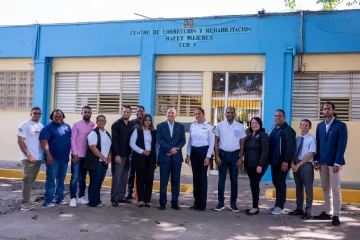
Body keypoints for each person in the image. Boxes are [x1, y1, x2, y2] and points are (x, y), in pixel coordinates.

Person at [313, 102, 347, 226]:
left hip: (334, 163)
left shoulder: (341, 126)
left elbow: (342, 145)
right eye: (324, 109)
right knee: (325, 187)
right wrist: (316, 160)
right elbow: (318, 143)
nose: (326, 111)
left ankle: (336, 215)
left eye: (328, 109)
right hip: (322, 162)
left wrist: (338, 162)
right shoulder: (320, 126)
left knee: (335, 188)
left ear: (333, 110)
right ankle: (328, 211)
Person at [214, 107, 246, 213]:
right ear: (225, 114)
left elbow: (242, 143)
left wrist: (241, 158)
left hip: (235, 156)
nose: (230, 114)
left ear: (235, 114)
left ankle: (233, 204)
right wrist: (217, 156)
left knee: (234, 181)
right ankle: (220, 203)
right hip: (222, 155)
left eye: (232, 112)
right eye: (228, 112)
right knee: (221, 180)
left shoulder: (240, 126)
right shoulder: (219, 126)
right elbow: (216, 141)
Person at [266, 109, 296, 215]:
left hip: (283, 162)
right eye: (276, 116)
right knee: (275, 182)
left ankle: (281, 206)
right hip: (274, 161)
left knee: (280, 183)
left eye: (280, 116)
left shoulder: (288, 130)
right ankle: (276, 204)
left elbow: (290, 147)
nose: (277, 118)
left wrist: (286, 161)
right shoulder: (273, 128)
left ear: (284, 117)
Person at [40, 109, 72, 207]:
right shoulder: (48, 128)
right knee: (51, 179)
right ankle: (48, 200)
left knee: (61, 180)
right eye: (56, 117)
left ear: (63, 117)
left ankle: (59, 198)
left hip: (64, 158)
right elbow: (43, 142)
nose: (58, 118)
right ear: (52, 117)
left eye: (60, 116)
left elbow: (69, 140)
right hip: (53, 159)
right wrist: (48, 156)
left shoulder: (67, 126)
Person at [185, 107, 214, 211]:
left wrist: (208, 157)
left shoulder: (209, 127)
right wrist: (188, 154)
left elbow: (212, 143)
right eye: (196, 114)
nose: (197, 115)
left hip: (203, 153)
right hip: (194, 152)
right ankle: (196, 203)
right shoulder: (193, 125)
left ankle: (202, 204)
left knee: (202, 178)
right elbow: (190, 141)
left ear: (203, 114)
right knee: (195, 178)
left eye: (199, 113)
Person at [157, 108, 186, 210]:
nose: (170, 114)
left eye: (172, 113)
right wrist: (169, 149)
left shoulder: (180, 126)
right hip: (164, 157)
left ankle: (175, 202)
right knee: (163, 181)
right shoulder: (160, 126)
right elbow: (159, 140)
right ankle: (162, 202)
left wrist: (175, 149)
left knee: (176, 181)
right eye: (169, 113)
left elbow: (183, 140)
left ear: (176, 115)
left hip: (176, 158)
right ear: (166, 114)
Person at [17, 107, 44, 211]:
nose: (37, 115)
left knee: (31, 180)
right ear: (31, 114)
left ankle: (28, 200)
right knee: (27, 179)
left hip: (37, 157)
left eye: (39, 113)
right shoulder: (24, 125)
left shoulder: (40, 126)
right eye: (35, 113)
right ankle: (24, 203)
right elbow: (20, 141)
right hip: (28, 157)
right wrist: (28, 155)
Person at [289, 119, 316, 219]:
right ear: (300, 126)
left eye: (306, 125)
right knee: (298, 187)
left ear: (310, 127)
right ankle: (299, 208)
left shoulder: (312, 139)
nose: (304, 126)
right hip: (296, 164)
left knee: (308, 188)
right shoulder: (297, 139)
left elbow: (310, 154)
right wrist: (292, 163)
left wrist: (299, 164)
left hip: (306, 165)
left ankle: (308, 212)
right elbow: (293, 151)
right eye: (302, 125)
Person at [83, 115, 112, 207]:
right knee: (94, 182)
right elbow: (92, 147)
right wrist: (103, 158)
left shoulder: (106, 133)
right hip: (96, 162)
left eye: (103, 120)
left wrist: (109, 156)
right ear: (96, 122)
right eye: (99, 120)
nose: (101, 122)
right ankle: (92, 202)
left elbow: (109, 146)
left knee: (99, 182)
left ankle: (97, 200)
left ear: (105, 122)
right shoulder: (93, 133)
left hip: (104, 162)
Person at [69, 105, 95, 207]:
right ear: (82, 113)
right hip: (77, 155)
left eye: (89, 112)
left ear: (91, 113)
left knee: (83, 177)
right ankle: (72, 198)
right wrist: (75, 153)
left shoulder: (94, 125)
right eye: (85, 112)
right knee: (75, 177)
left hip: (87, 156)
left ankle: (81, 197)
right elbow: (73, 139)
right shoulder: (76, 124)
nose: (87, 114)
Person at [129, 114, 157, 207]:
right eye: (146, 120)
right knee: (140, 179)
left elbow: (156, 146)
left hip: (150, 157)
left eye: (149, 120)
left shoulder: (153, 132)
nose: (147, 122)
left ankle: (147, 199)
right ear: (143, 121)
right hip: (140, 157)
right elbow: (132, 144)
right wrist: (142, 151)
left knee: (149, 179)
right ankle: (141, 199)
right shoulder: (137, 131)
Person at [244, 117, 269, 216]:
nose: (254, 125)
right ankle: (254, 205)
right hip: (249, 164)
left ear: (260, 124)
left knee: (254, 184)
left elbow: (265, 151)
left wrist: (260, 165)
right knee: (253, 184)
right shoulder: (249, 135)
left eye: (256, 123)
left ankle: (255, 207)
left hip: (258, 165)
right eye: (252, 123)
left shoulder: (263, 135)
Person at [111, 106, 133, 207]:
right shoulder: (116, 125)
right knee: (117, 177)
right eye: (124, 112)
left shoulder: (131, 125)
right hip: (119, 156)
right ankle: (114, 198)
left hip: (128, 156)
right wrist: (116, 155)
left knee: (124, 177)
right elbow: (114, 142)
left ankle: (121, 197)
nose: (126, 113)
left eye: (128, 112)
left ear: (130, 113)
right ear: (121, 112)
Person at [126, 106, 145, 200]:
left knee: (141, 175)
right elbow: (128, 138)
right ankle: (129, 192)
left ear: (144, 112)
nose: (139, 113)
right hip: (133, 153)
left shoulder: (147, 122)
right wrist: (129, 152)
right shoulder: (132, 123)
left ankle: (139, 193)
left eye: (141, 111)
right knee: (131, 174)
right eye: (138, 111)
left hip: (143, 154)